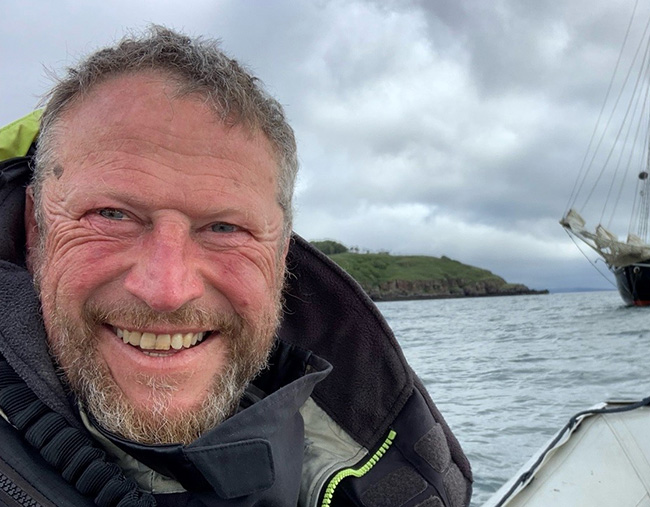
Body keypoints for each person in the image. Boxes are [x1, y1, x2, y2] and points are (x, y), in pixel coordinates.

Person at [0, 26, 471, 506]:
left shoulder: (383, 464)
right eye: (111, 215)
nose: (167, 289)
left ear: (280, 256)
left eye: (224, 228)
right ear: (36, 231)